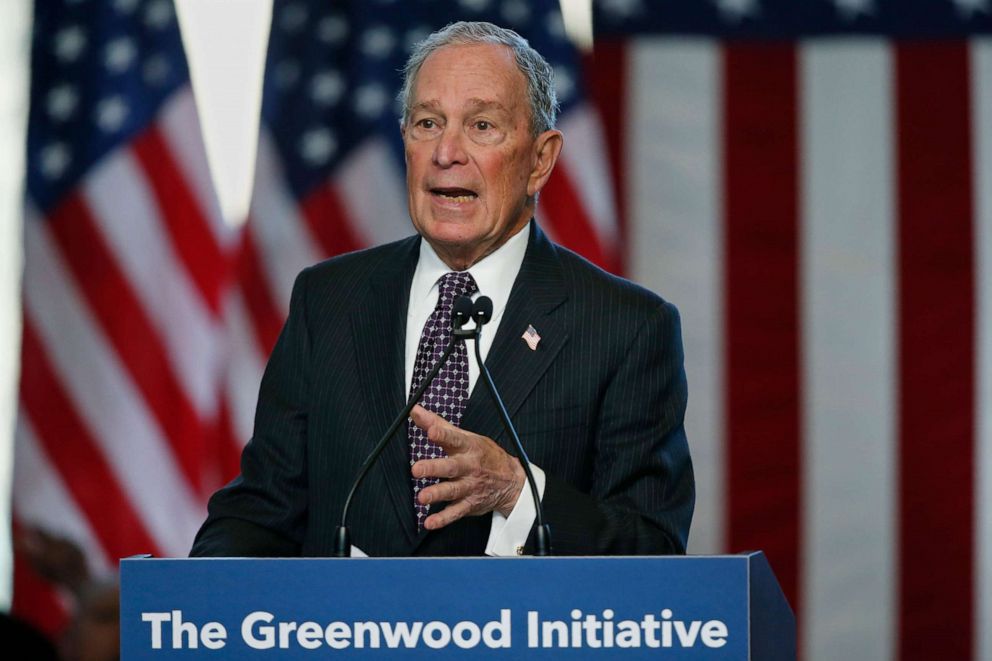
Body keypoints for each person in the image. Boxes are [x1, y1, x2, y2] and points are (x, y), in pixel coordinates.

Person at [190, 21, 693, 558]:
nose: (446, 152)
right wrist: (194, 600)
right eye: (428, 123)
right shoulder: (329, 300)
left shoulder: (626, 327)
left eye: (481, 126)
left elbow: (652, 551)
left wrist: (516, 492)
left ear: (540, 160)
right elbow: (262, 511)